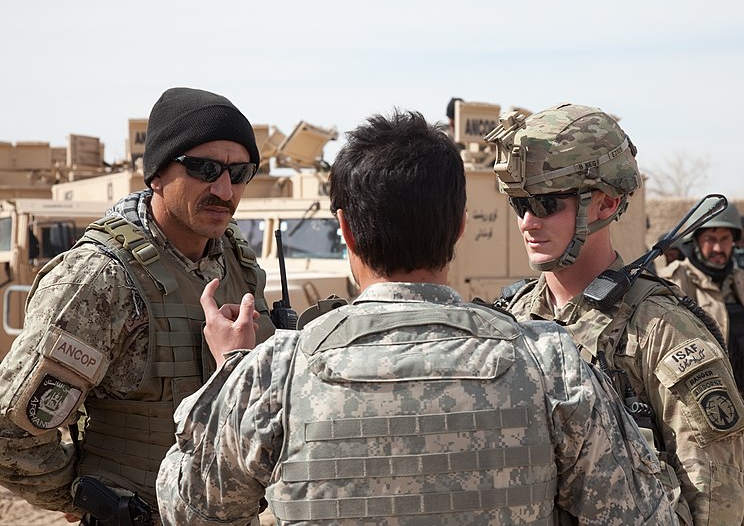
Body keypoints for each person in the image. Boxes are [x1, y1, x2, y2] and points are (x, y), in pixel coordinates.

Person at [156, 110, 677, 526]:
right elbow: (640, 515)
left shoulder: (274, 372)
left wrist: (233, 370)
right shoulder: (551, 364)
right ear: (459, 229)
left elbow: (189, 508)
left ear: (346, 230)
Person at [0, 87, 275, 524]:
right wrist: (86, 498)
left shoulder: (237, 260)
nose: (224, 189)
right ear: (157, 174)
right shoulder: (100, 278)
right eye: (205, 169)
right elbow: (12, 433)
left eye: (240, 172)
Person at [487, 103, 744, 525]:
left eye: (547, 202)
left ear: (607, 204)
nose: (528, 222)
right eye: (520, 204)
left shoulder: (662, 331)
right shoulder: (512, 320)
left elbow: (717, 499)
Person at [660, 202, 744, 526]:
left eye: (724, 239)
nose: (717, 248)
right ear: (695, 241)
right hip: (695, 424)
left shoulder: (739, 281)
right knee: (709, 509)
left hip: (739, 416)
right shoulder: (676, 282)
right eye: (710, 239)